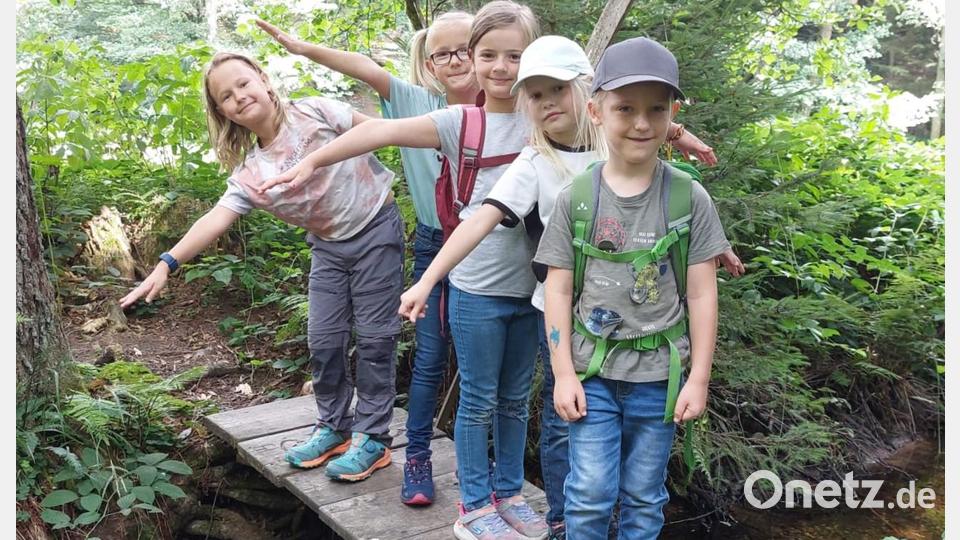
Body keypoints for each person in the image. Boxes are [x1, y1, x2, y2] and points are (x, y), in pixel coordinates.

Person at [398, 35, 742, 540]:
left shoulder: (629, 147)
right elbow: (481, 220)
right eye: (535, 95)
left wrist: (709, 229)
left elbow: (646, 120)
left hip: (650, 357)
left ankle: (566, 514)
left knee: (616, 469)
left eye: (558, 89)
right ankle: (556, 512)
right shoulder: (542, 166)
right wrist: (429, 278)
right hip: (569, 325)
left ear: (585, 94)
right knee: (560, 420)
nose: (548, 103)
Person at [119, 52, 403, 483]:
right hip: (328, 249)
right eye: (225, 96)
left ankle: (374, 437)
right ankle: (334, 427)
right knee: (324, 340)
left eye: (243, 83)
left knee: (375, 338)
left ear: (264, 82)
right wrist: (166, 263)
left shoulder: (315, 111)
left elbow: (384, 131)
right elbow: (215, 218)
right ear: (222, 112)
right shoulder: (252, 173)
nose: (238, 96)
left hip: (376, 229)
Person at [256, 11, 480, 507]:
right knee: (428, 358)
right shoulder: (418, 103)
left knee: (480, 367)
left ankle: (484, 478)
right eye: (443, 53)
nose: (456, 60)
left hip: (494, 251)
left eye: (466, 49)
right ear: (430, 63)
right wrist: (303, 49)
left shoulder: (509, 106)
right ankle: (414, 456)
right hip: (434, 241)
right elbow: (367, 69)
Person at [534, 37, 732, 539]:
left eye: (656, 109)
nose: (642, 123)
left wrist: (699, 378)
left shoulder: (689, 199)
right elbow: (558, 291)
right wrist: (563, 374)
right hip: (591, 374)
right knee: (589, 492)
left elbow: (702, 294)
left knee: (645, 496)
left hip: (660, 377)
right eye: (625, 108)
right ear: (596, 111)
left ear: (672, 115)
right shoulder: (577, 198)